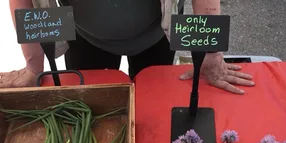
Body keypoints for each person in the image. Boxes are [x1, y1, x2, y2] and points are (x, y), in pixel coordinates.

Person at [0, 0, 255, 94]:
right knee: (93, 112)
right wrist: (34, 64)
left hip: (156, 35)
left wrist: (211, 53)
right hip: (85, 37)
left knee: (155, 110)